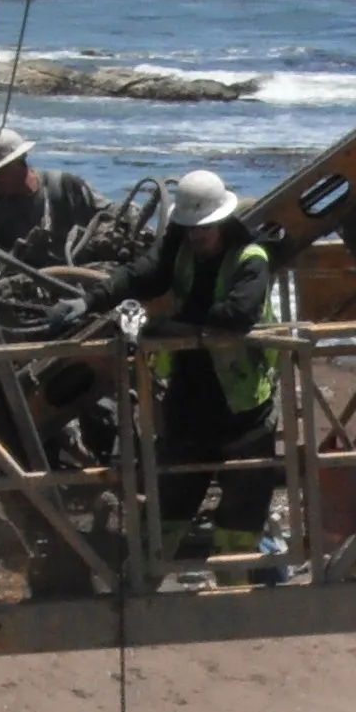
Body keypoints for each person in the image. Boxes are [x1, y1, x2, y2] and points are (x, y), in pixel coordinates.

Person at [104, 168, 282, 555]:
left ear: (222, 220)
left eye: (205, 227)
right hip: (188, 403)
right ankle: (151, 587)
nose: (198, 235)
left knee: (242, 517)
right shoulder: (180, 246)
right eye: (190, 228)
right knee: (168, 506)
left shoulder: (251, 257)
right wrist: (91, 299)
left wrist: (169, 325)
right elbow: (144, 274)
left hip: (242, 408)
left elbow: (237, 314)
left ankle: (237, 592)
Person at [0, 132, 104, 264]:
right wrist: (15, 255)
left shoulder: (66, 186)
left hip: (81, 274)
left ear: (18, 162)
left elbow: (109, 216)